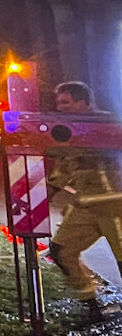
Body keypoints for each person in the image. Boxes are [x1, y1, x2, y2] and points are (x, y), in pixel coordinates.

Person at [45, 80, 121, 319]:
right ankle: (92, 308)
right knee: (61, 252)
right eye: (58, 102)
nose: (60, 107)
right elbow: (62, 169)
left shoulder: (106, 124)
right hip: (86, 205)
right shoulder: (65, 131)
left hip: (116, 204)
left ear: (83, 103)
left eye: (65, 102)